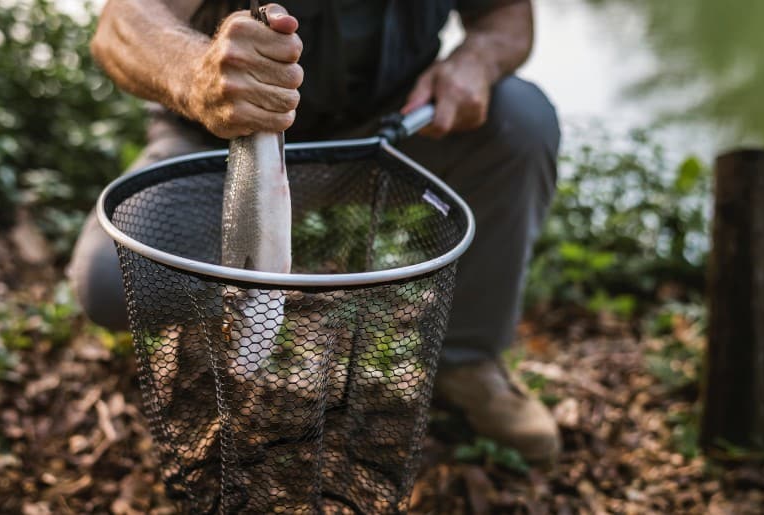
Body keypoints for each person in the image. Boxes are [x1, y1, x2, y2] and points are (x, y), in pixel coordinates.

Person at [72, 0, 562, 464]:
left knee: (521, 119)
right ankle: (209, 325)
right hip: (225, 142)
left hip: (398, 130)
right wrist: (198, 74)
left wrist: (476, 60)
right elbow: (121, 24)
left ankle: (468, 364)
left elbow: (508, 16)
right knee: (111, 280)